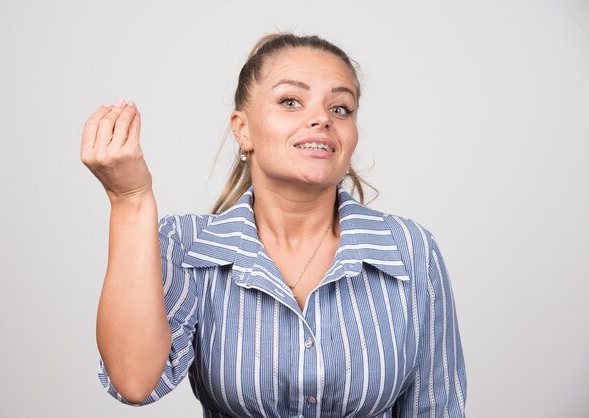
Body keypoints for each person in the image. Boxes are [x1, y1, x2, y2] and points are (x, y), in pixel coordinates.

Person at [81, 33, 467, 417]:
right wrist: (130, 200)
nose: (321, 118)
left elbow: (437, 407)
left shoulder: (410, 249)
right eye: (290, 101)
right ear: (242, 129)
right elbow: (134, 381)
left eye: (340, 109)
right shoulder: (187, 247)